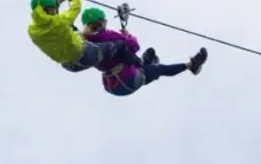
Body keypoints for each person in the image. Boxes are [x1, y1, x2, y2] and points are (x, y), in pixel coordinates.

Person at [80, 7, 208, 97]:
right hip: (126, 81)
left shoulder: (85, 41)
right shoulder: (108, 35)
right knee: (157, 69)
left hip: (111, 84)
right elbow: (134, 46)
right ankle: (191, 66)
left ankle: (145, 63)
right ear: (102, 21)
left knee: (133, 61)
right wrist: (128, 35)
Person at [27, 0, 144, 73]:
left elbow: (57, 29)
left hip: (68, 65)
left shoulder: (32, 31)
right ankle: (142, 65)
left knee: (71, 33)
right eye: (52, 9)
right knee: (120, 44)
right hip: (83, 55)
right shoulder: (59, 22)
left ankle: (57, 4)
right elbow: (75, 9)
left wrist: (58, 3)